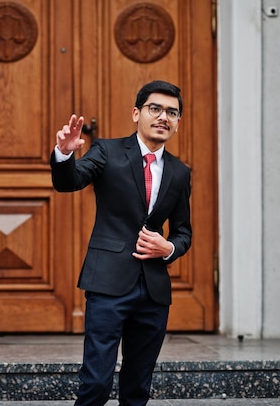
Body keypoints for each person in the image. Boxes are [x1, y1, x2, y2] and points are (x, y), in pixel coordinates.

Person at [50, 80, 192, 406]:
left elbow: (184, 231)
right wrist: (65, 153)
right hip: (108, 283)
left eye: (172, 112)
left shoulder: (179, 172)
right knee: (96, 385)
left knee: (137, 388)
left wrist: (168, 247)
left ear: (178, 122)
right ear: (136, 113)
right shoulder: (107, 151)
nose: (163, 117)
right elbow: (69, 181)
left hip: (154, 290)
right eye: (154, 109)